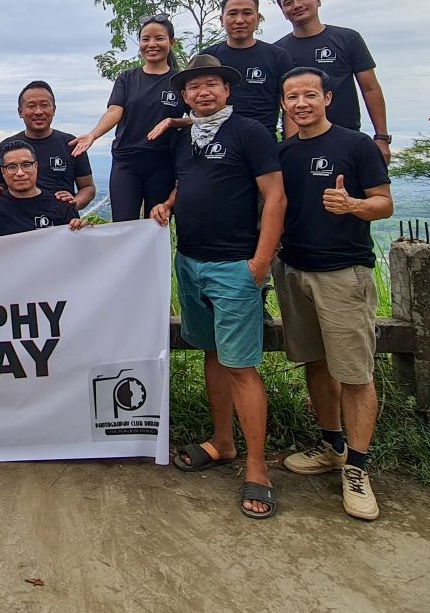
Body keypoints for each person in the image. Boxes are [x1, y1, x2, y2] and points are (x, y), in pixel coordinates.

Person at [149, 53, 285, 520]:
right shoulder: (186, 138)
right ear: (185, 96)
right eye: (194, 86)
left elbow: (275, 196)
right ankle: (223, 442)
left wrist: (261, 263)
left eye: (211, 84)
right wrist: (168, 203)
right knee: (212, 353)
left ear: (227, 90)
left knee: (241, 366)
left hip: (235, 265)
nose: (202, 92)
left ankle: (257, 466)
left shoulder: (250, 132)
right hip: (190, 261)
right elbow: (189, 182)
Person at [273, 66, 392, 521]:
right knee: (317, 363)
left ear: (327, 97)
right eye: (292, 97)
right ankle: (332, 446)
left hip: (343, 273)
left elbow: (384, 202)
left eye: (309, 94)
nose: (301, 103)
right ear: (283, 104)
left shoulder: (355, 145)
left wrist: (353, 204)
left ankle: (358, 469)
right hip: (294, 270)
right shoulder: (283, 152)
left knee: (355, 373)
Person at [71, 13, 185, 220]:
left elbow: (197, 118)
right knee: (122, 224)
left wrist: (173, 121)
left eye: (159, 38)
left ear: (172, 42)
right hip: (126, 162)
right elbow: (115, 111)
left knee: (157, 223)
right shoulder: (127, 78)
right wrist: (93, 135)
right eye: (145, 39)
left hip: (163, 163)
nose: (152, 44)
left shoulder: (180, 82)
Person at [273, 0, 391, 162]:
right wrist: (293, 146)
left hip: (347, 137)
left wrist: (381, 137)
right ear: (283, 12)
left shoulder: (347, 38)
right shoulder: (278, 51)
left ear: (317, 0)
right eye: (288, 3)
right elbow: (285, 103)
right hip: (300, 142)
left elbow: (370, 88)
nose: (297, 5)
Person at [0, 140, 88, 242]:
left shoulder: (61, 204)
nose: (20, 173)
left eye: (26, 165)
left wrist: (84, 229)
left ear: (36, 167)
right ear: (3, 171)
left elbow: (78, 245)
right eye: (12, 167)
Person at [200, 0, 296, 139]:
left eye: (247, 13)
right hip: (217, 141)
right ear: (222, 20)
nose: (239, 20)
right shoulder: (207, 57)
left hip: (263, 140)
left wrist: (291, 144)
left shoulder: (277, 56)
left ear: (258, 19)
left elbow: (291, 104)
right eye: (232, 14)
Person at [0, 81, 95, 210]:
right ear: (20, 112)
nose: (38, 112)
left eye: (44, 105)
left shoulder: (71, 144)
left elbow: (87, 187)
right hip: (18, 218)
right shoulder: (6, 147)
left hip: (61, 219)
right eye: (31, 106)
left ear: (54, 109)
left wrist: (73, 204)